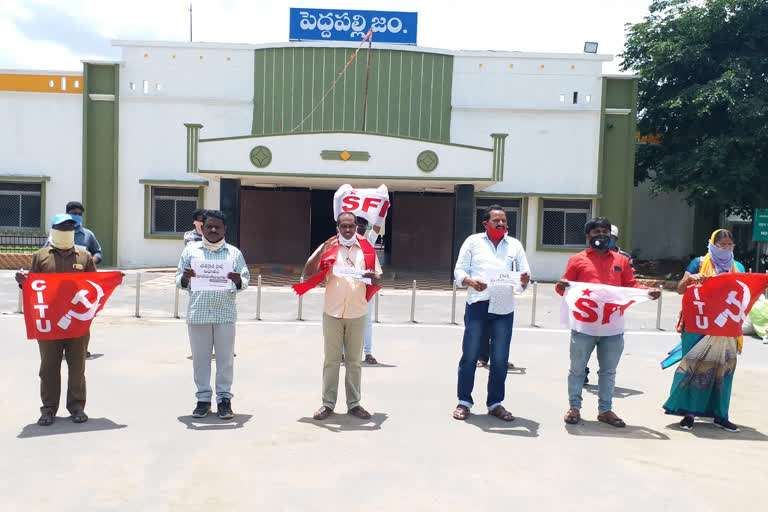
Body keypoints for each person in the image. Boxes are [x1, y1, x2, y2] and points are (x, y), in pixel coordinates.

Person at [557, 217, 660, 427]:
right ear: (588, 236)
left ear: (611, 236)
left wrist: (648, 292)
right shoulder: (577, 260)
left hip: (612, 326)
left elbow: (630, 285)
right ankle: (574, 407)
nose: (601, 236)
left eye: (605, 232)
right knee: (577, 369)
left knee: (608, 371)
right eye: (596, 232)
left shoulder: (621, 261)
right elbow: (564, 288)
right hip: (584, 326)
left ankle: (605, 410)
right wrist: (562, 286)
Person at [15, 214, 97, 426]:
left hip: (76, 322)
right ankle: (48, 408)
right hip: (49, 322)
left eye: (71, 226)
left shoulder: (84, 256)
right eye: (63, 226)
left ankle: (77, 406)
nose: (67, 229)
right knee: (49, 367)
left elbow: (95, 287)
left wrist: (112, 280)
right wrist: (23, 282)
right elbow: (32, 287)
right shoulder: (41, 256)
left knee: (77, 366)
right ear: (54, 229)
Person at [301, 212, 382, 421]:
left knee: (354, 361)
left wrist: (374, 277)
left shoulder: (366, 248)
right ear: (338, 227)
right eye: (343, 226)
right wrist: (321, 249)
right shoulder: (330, 247)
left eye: (351, 226)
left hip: (357, 312)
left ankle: (354, 403)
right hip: (333, 312)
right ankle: (327, 404)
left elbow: (377, 277)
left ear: (357, 227)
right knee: (331, 361)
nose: (347, 230)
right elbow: (308, 271)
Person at [452, 205, 530, 422]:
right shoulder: (473, 242)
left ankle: (495, 403)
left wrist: (524, 281)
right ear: (485, 223)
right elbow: (459, 270)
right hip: (478, 304)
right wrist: (469, 281)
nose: (502, 224)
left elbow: (524, 274)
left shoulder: (514, 245)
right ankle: (464, 401)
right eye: (497, 220)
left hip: (504, 308)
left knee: (500, 358)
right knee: (470, 355)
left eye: (504, 220)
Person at [663, 229, 745, 432]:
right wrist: (691, 280)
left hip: (726, 327)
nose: (726, 248)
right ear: (712, 245)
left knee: (723, 371)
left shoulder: (738, 267)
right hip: (699, 324)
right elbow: (681, 289)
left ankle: (720, 415)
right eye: (722, 245)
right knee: (693, 367)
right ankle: (688, 413)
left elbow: (745, 294)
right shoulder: (699, 264)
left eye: (730, 245)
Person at [176, 210, 249, 420]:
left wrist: (237, 281)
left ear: (225, 229)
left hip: (225, 314)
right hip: (198, 313)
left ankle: (224, 399)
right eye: (209, 226)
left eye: (217, 226)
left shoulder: (233, 253)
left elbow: (245, 279)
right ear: (202, 228)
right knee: (200, 360)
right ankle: (203, 400)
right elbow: (178, 278)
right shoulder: (191, 251)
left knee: (225, 360)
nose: (213, 230)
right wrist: (186, 278)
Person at [582, 224, 636, 385]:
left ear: (615, 239)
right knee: (584, 343)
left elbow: (630, 282)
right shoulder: (586, 256)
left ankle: (604, 373)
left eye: (609, 236)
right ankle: (583, 370)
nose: (605, 239)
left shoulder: (624, 257)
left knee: (608, 346)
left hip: (612, 310)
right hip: (589, 309)